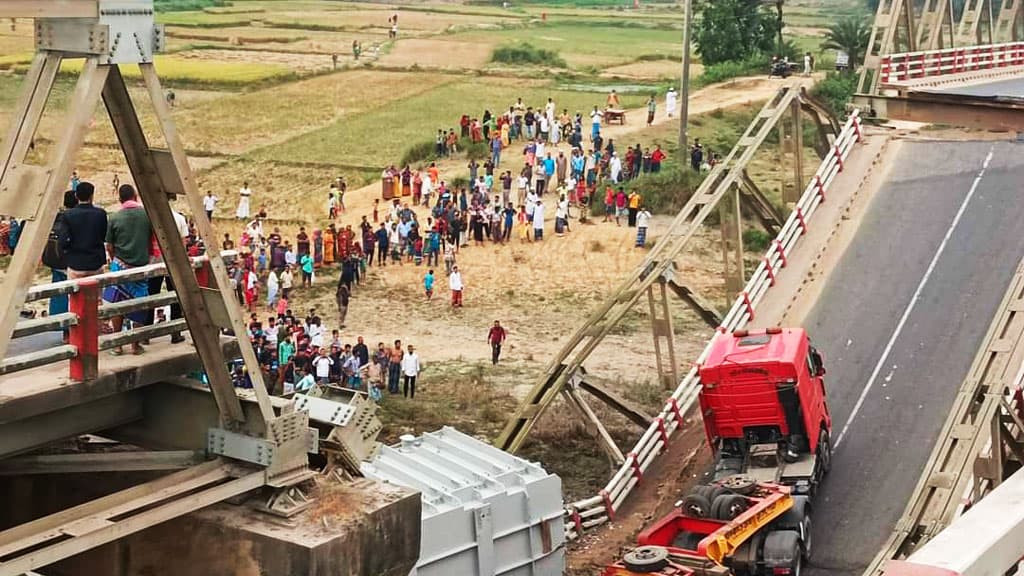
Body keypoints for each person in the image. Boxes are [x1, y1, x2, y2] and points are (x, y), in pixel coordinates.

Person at [105, 185, 151, 356]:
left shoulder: (114, 218)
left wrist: (115, 256)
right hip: (141, 267)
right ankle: (135, 345)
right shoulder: (146, 215)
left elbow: (109, 245)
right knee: (139, 305)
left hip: (120, 266)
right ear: (135, 196)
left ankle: (117, 345)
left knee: (117, 305)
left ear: (120, 199)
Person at [62, 182, 107, 280]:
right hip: (95, 262)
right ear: (92, 196)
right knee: (96, 294)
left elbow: (63, 241)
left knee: (75, 294)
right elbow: (103, 236)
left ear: (76, 196)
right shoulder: (100, 213)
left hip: (76, 263)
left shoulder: (68, 215)